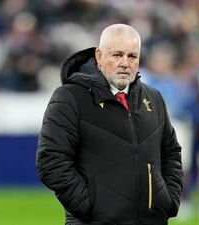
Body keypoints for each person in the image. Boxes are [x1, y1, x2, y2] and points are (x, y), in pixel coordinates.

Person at [36, 24, 183, 225]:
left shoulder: (153, 98)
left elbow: (171, 152)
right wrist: (90, 207)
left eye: (132, 56)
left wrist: (168, 201)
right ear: (99, 56)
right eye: (117, 55)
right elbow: (51, 160)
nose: (125, 63)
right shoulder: (70, 97)